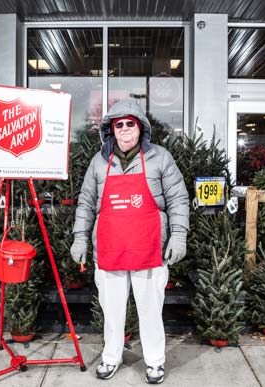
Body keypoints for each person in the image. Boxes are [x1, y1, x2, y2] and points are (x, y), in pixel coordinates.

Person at [71, 100, 189, 384]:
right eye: (119, 124)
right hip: (109, 250)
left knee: (150, 311)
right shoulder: (99, 161)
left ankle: (155, 362)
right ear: (111, 129)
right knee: (111, 313)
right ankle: (111, 358)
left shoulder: (160, 158)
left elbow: (178, 199)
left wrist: (179, 235)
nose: (124, 129)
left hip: (149, 250)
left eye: (130, 124)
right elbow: (86, 202)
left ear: (140, 128)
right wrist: (79, 238)